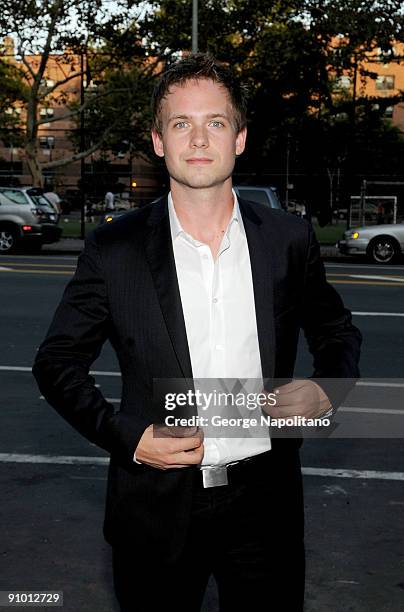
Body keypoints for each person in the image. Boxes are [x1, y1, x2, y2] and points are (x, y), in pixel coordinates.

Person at [33, 54, 362, 612]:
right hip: (154, 508)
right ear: (159, 141)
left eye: (215, 122)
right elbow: (57, 361)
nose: (199, 139)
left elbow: (337, 331)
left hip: (265, 504)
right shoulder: (114, 250)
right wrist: (128, 437)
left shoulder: (288, 239)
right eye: (181, 123)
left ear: (239, 138)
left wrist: (328, 388)